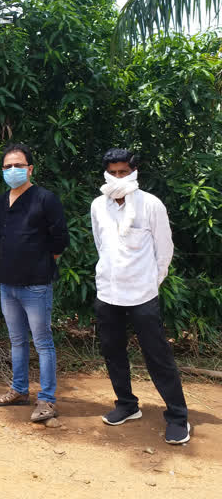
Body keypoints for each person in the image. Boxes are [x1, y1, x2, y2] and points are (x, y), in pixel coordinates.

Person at [91, 148, 190, 444]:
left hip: (142, 294)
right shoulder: (98, 205)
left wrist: (151, 284)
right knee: (112, 351)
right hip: (108, 292)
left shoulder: (151, 205)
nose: (119, 177)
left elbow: (164, 251)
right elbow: (101, 244)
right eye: (114, 172)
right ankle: (126, 404)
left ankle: (177, 416)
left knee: (157, 355)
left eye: (124, 172)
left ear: (134, 173)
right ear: (106, 173)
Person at [0, 144, 69, 422]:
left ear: (30, 168)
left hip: (36, 284)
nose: (13, 170)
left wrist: (40, 263)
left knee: (43, 342)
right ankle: (19, 390)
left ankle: (46, 400)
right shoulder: (1, 202)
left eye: (18, 165)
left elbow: (60, 240)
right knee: (17, 340)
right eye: (8, 166)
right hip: (7, 284)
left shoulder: (45, 199)